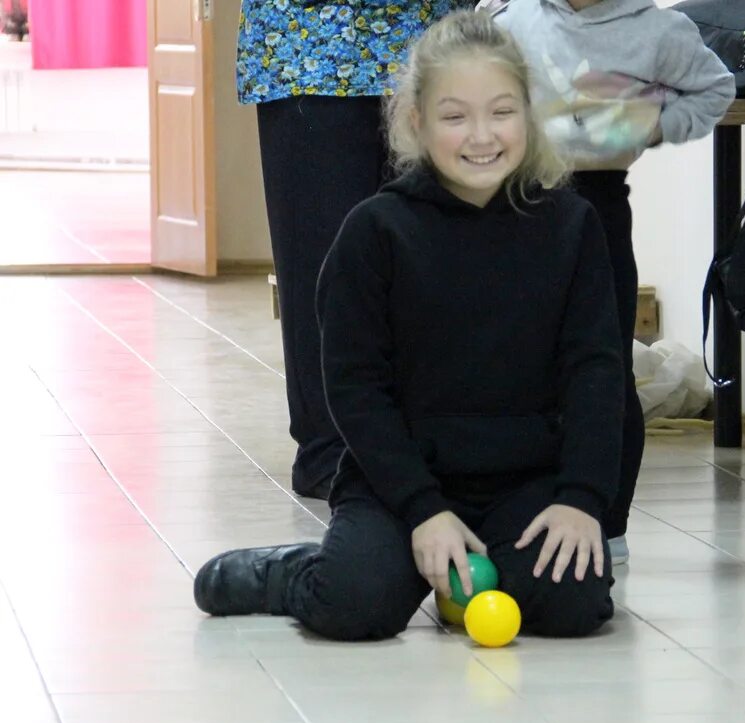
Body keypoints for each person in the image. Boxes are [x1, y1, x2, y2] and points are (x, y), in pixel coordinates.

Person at [194, 11, 624, 641]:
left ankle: (484, 561)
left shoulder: (572, 226)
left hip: (522, 479)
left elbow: (596, 370)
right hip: (399, 487)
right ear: (417, 122)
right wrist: (423, 510)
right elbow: (355, 387)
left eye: (501, 112)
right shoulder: (375, 232)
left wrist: (581, 498)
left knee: (573, 606)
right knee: (357, 603)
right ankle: (290, 573)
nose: (482, 136)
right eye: (455, 117)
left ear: (529, 115)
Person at [491, 0, 735, 563]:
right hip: (516, 208)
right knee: (521, 365)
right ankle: (522, 502)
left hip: (599, 205)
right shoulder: (509, 22)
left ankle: (608, 518)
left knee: (603, 365)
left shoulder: (659, 30)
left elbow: (714, 89)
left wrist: (648, 126)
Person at [237, 0, 453, 499]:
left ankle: (431, 444)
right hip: (310, 48)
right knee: (323, 269)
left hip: (435, 51)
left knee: (436, 267)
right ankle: (332, 451)